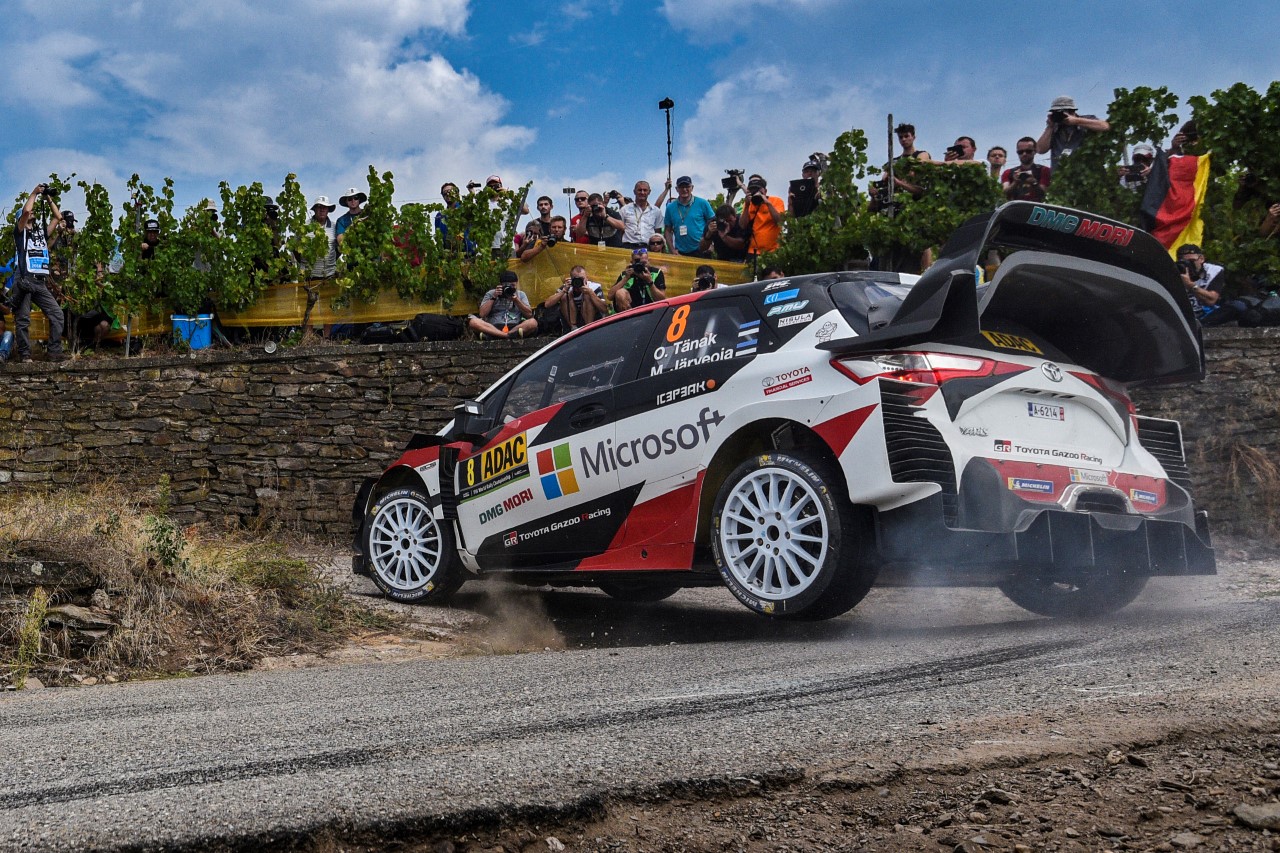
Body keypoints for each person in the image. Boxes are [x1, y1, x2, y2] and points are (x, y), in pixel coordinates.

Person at [11, 182, 67, 362]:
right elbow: (27, 210)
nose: (32, 213)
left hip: (39, 281)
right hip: (24, 278)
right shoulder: (20, 233)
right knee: (23, 319)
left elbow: (58, 217)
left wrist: (47, 197)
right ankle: (25, 354)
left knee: (57, 314)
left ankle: (54, 351)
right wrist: (34, 193)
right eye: (28, 214)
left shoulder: (40, 233)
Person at [1036, 96, 1110, 171]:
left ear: (1072, 112)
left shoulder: (1086, 120)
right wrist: (1050, 127)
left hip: (1085, 172)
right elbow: (1040, 150)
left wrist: (1077, 121)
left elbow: (1105, 126)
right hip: (1060, 174)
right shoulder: (1054, 127)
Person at [468, 270, 537, 340]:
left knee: (533, 322)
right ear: (501, 285)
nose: (510, 288)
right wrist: (494, 297)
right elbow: (482, 314)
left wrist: (517, 300)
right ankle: (507, 336)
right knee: (473, 322)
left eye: (512, 285)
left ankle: (499, 336)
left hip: (515, 326)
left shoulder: (520, 294)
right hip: (493, 327)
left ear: (516, 284)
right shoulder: (491, 293)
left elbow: (529, 315)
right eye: (506, 286)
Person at [543, 264, 607, 331]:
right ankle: (573, 328)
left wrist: (591, 293)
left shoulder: (594, 287)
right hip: (572, 321)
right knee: (564, 296)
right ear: (571, 279)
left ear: (587, 278)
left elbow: (604, 309)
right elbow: (547, 304)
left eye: (581, 279)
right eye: (576, 279)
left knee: (587, 296)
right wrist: (563, 291)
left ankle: (588, 329)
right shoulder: (567, 287)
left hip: (591, 320)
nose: (579, 282)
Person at [663, 176, 716, 256]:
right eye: (681, 187)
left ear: (692, 187)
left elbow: (713, 224)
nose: (684, 189)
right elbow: (667, 230)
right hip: (680, 253)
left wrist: (711, 244)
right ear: (676, 189)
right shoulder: (670, 207)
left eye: (687, 186)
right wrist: (672, 250)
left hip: (702, 250)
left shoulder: (703, 203)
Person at [1176, 243, 1225, 322]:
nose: (1188, 264)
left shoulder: (1213, 271)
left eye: (1192, 261)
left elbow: (1211, 300)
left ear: (1201, 259)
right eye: (1184, 262)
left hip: (1207, 313)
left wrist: (1190, 285)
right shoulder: (1172, 272)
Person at [618, 181, 665, 249]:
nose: (642, 192)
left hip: (648, 247)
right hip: (628, 246)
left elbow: (658, 233)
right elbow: (620, 230)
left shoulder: (656, 211)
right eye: (639, 190)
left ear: (649, 192)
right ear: (634, 191)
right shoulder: (624, 209)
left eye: (645, 190)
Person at [1002, 137, 1051, 202]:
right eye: (1020, 152)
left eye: (1028, 151)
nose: (1024, 154)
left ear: (1035, 151)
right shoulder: (1008, 172)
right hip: (1016, 206)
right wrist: (1015, 182)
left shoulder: (1044, 170)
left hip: (1036, 206)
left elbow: (1045, 195)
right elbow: (1004, 194)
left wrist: (1034, 182)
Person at [308, 196, 337, 279]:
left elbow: (339, 249)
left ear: (328, 210)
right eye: (319, 207)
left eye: (325, 207)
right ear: (314, 209)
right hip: (308, 275)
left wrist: (330, 260)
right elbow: (296, 249)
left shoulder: (335, 227)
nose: (322, 209)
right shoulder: (304, 226)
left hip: (329, 275)